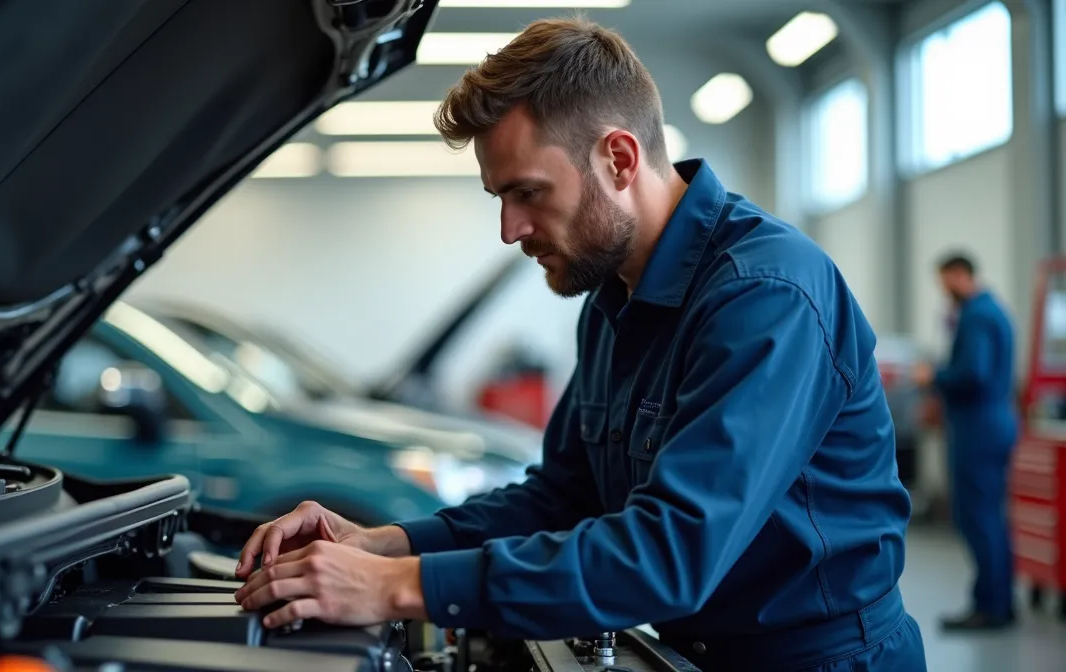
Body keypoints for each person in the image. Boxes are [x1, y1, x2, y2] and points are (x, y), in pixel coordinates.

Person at [231, 17, 927, 672]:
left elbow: (668, 553)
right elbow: (562, 497)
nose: (509, 228)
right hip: (697, 651)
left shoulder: (764, 296)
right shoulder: (613, 299)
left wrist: (397, 586)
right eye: (499, 197)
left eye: (527, 193)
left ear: (618, 159)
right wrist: (389, 542)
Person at [912, 253, 1018, 631]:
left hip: (979, 430)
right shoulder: (991, 311)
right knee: (990, 516)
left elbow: (973, 373)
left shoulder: (977, 315)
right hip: (991, 424)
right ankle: (999, 602)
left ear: (960, 275)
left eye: (945, 281)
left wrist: (932, 377)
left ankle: (990, 608)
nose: (943, 290)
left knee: (979, 518)